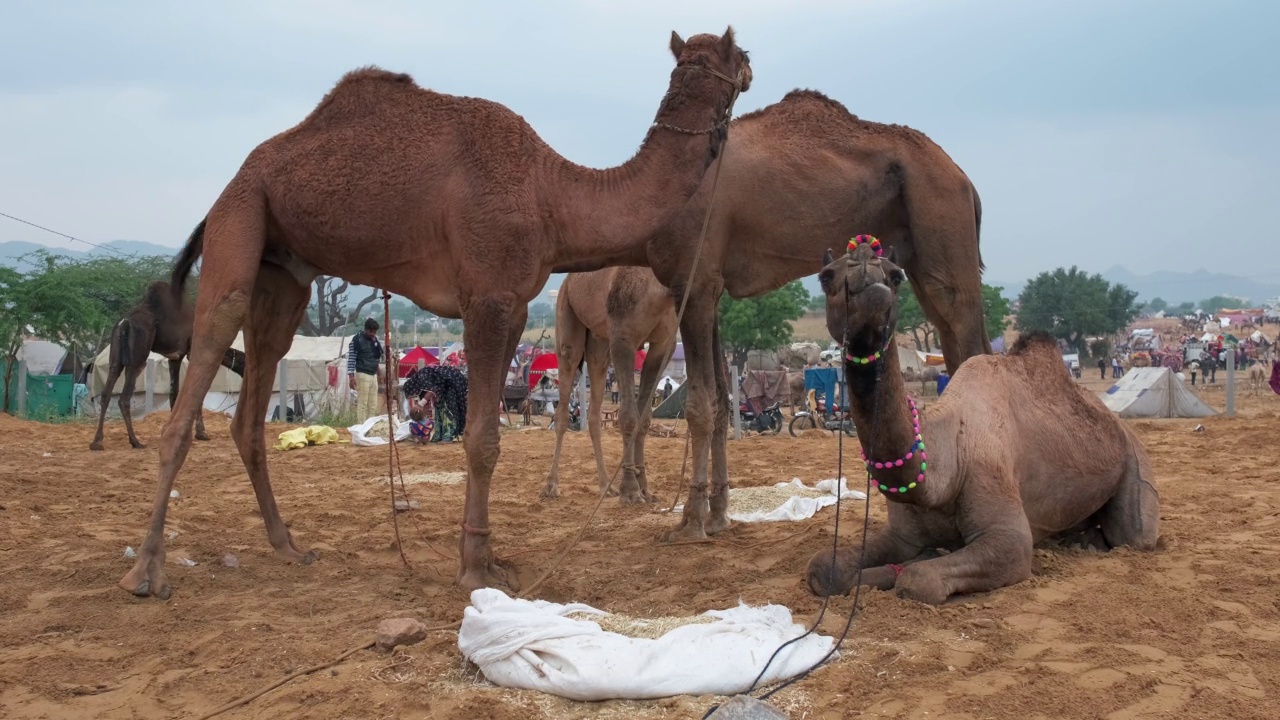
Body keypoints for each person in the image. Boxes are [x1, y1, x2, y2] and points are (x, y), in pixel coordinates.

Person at [403, 364, 469, 439]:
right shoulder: (421, 386)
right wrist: (422, 409)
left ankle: (449, 435)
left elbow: (432, 390)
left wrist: (420, 404)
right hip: (444, 385)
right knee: (438, 406)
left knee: (447, 408)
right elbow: (428, 396)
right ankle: (439, 434)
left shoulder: (422, 376)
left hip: (452, 380)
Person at [347, 318, 383, 422]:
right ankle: (361, 428)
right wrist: (351, 377)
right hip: (362, 373)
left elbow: (376, 357)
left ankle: (370, 427)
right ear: (366, 329)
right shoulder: (356, 340)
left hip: (373, 375)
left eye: (375, 332)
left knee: (373, 405)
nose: (373, 334)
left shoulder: (375, 341)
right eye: (371, 331)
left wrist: (379, 373)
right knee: (363, 404)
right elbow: (351, 359)